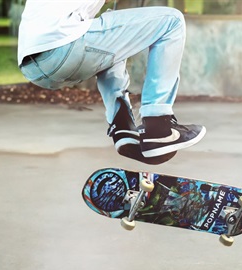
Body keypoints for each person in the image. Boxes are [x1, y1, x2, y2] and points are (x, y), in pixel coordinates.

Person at [17, 0, 206, 165]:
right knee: (172, 20)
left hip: (33, 66)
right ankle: (159, 125)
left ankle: (122, 126)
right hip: (66, 45)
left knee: (112, 32)